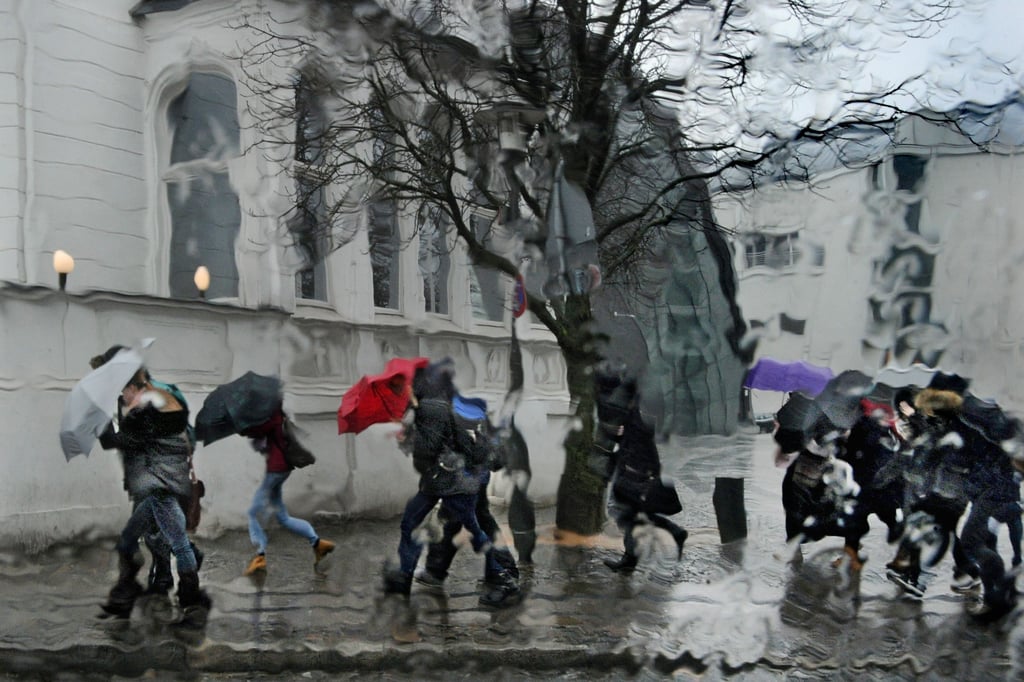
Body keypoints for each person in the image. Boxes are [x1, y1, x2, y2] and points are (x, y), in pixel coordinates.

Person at [383, 359, 513, 599]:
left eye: (404, 385)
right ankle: (413, 576)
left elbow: (429, 449)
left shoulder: (431, 407)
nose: (401, 389)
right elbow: (449, 443)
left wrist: (409, 438)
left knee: (474, 525)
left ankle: (502, 573)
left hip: (452, 481)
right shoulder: (436, 404)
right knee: (430, 523)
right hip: (449, 480)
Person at [98, 367, 210, 628]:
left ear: (138, 387)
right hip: (155, 485)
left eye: (126, 389)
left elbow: (121, 441)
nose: (123, 394)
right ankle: (165, 579)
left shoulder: (151, 412)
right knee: (152, 536)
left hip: (161, 487)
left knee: (174, 541)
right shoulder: (151, 407)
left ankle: (190, 600)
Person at [416, 394, 522, 607]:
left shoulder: (451, 424)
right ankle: (436, 570)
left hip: (466, 484)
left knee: (473, 523)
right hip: (472, 481)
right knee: (456, 519)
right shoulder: (473, 424)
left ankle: (503, 575)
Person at [593, 361, 687, 572]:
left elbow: (640, 428)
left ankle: (669, 534)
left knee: (626, 509)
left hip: (637, 459)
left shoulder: (637, 396)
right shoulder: (637, 392)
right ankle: (631, 557)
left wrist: (618, 429)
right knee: (629, 509)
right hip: (634, 454)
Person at [240, 407, 335, 576]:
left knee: (253, 513)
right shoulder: (277, 415)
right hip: (282, 468)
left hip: (276, 470)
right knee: (283, 517)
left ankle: (260, 556)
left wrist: (243, 424)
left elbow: (254, 431)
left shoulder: (271, 416)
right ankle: (318, 544)